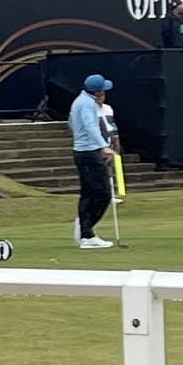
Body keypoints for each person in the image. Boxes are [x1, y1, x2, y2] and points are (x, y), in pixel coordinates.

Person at [70, 73, 117, 249]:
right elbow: (90, 125)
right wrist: (103, 145)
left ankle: (85, 228)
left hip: (82, 152)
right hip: (89, 153)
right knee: (103, 193)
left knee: (89, 194)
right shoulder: (88, 104)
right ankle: (86, 232)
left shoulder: (79, 101)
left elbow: (71, 122)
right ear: (97, 92)